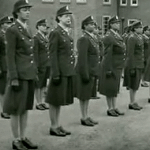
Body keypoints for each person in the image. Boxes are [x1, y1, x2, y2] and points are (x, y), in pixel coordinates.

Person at [3, 0, 38, 149]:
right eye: (24, 10)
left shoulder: (28, 29)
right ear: (17, 12)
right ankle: (16, 139)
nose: (27, 12)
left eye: (28, 9)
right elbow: (9, 56)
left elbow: (31, 55)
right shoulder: (12, 30)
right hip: (19, 76)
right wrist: (14, 77)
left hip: (28, 74)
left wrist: (34, 72)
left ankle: (23, 136)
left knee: (25, 108)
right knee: (16, 109)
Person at [45, 6, 75, 136]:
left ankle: (57, 124)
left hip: (66, 71)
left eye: (69, 16)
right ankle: (53, 126)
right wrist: (55, 73)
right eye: (65, 16)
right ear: (59, 18)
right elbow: (52, 54)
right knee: (54, 100)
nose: (69, 18)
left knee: (59, 100)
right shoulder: (55, 33)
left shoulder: (65, 32)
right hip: (59, 72)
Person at [99, 16, 126, 117]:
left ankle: (114, 107)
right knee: (110, 88)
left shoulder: (116, 35)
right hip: (111, 65)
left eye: (119, 23)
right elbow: (107, 54)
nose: (118, 24)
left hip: (117, 65)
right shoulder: (109, 36)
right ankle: (110, 108)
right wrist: (108, 68)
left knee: (115, 88)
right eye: (116, 23)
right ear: (111, 25)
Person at [76, 16, 99, 126]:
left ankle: (86, 115)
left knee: (87, 95)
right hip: (86, 71)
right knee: (84, 95)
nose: (93, 26)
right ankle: (83, 116)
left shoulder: (91, 38)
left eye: (93, 24)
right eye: (90, 24)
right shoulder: (84, 39)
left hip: (92, 70)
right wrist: (84, 73)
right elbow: (82, 58)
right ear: (85, 26)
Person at [123, 21, 144, 110]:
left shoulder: (139, 37)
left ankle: (134, 101)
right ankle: (132, 102)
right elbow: (130, 54)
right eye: (140, 27)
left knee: (136, 84)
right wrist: (131, 67)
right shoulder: (132, 38)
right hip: (134, 64)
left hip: (139, 64)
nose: (141, 29)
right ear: (135, 29)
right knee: (133, 84)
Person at [34, 19, 50, 110]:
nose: (45, 28)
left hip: (46, 63)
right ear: (38, 26)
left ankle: (42, 102)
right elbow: (35, 52)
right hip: (40, 63)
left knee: (43, 83)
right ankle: (38, 102)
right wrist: (36, 65)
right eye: (44, 26)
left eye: (46, 27)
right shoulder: (36, 38)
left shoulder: (45, 37)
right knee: (38, 84)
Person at [0, 16, 13, 119]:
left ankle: (7, 108)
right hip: (2, 64)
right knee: (3, 89)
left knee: (8, 87)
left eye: (10, 23)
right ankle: (4, 110)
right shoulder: (0, 36)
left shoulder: (8, 35)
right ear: (2, 24)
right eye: (7, 23)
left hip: (8, 64)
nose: (9, 25)